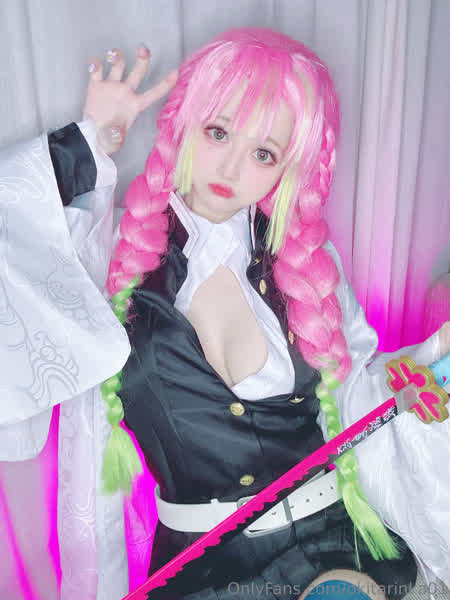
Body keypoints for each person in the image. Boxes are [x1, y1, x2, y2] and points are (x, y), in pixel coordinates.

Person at [1, 28, 449, 600]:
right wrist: (88, 144)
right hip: (201, 573)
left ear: (287, 168)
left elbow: (354, 393)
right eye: (218, 132)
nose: (232, 167)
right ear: (184, 122)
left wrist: (423, 367)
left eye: (264, 153)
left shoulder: (306, 261)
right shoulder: (104, 259)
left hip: (337, 551)